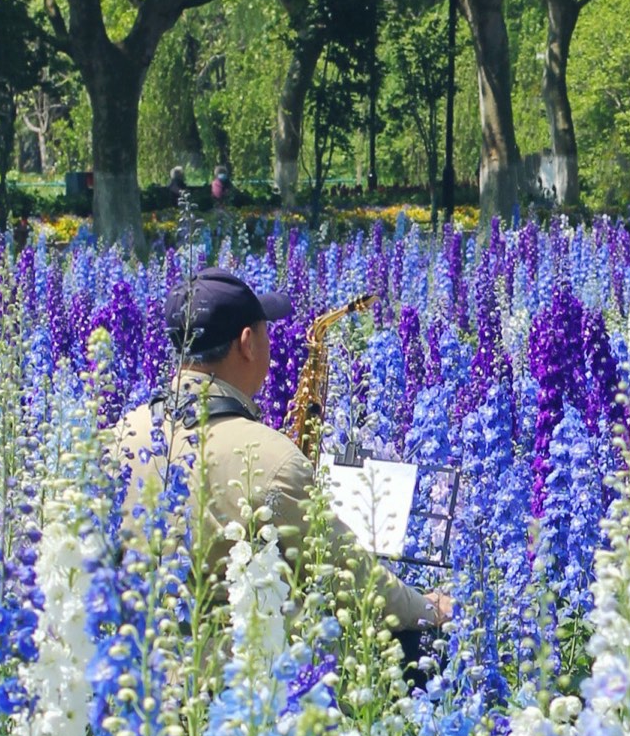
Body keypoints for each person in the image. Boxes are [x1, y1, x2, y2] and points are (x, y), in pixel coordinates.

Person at [112, 268, 445, 637]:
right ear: (247, 343)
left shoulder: (118, 435)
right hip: (242, 677)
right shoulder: (272, 459)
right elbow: (360, 587)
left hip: (135, 666)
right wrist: (430, 608)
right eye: (266, 331)